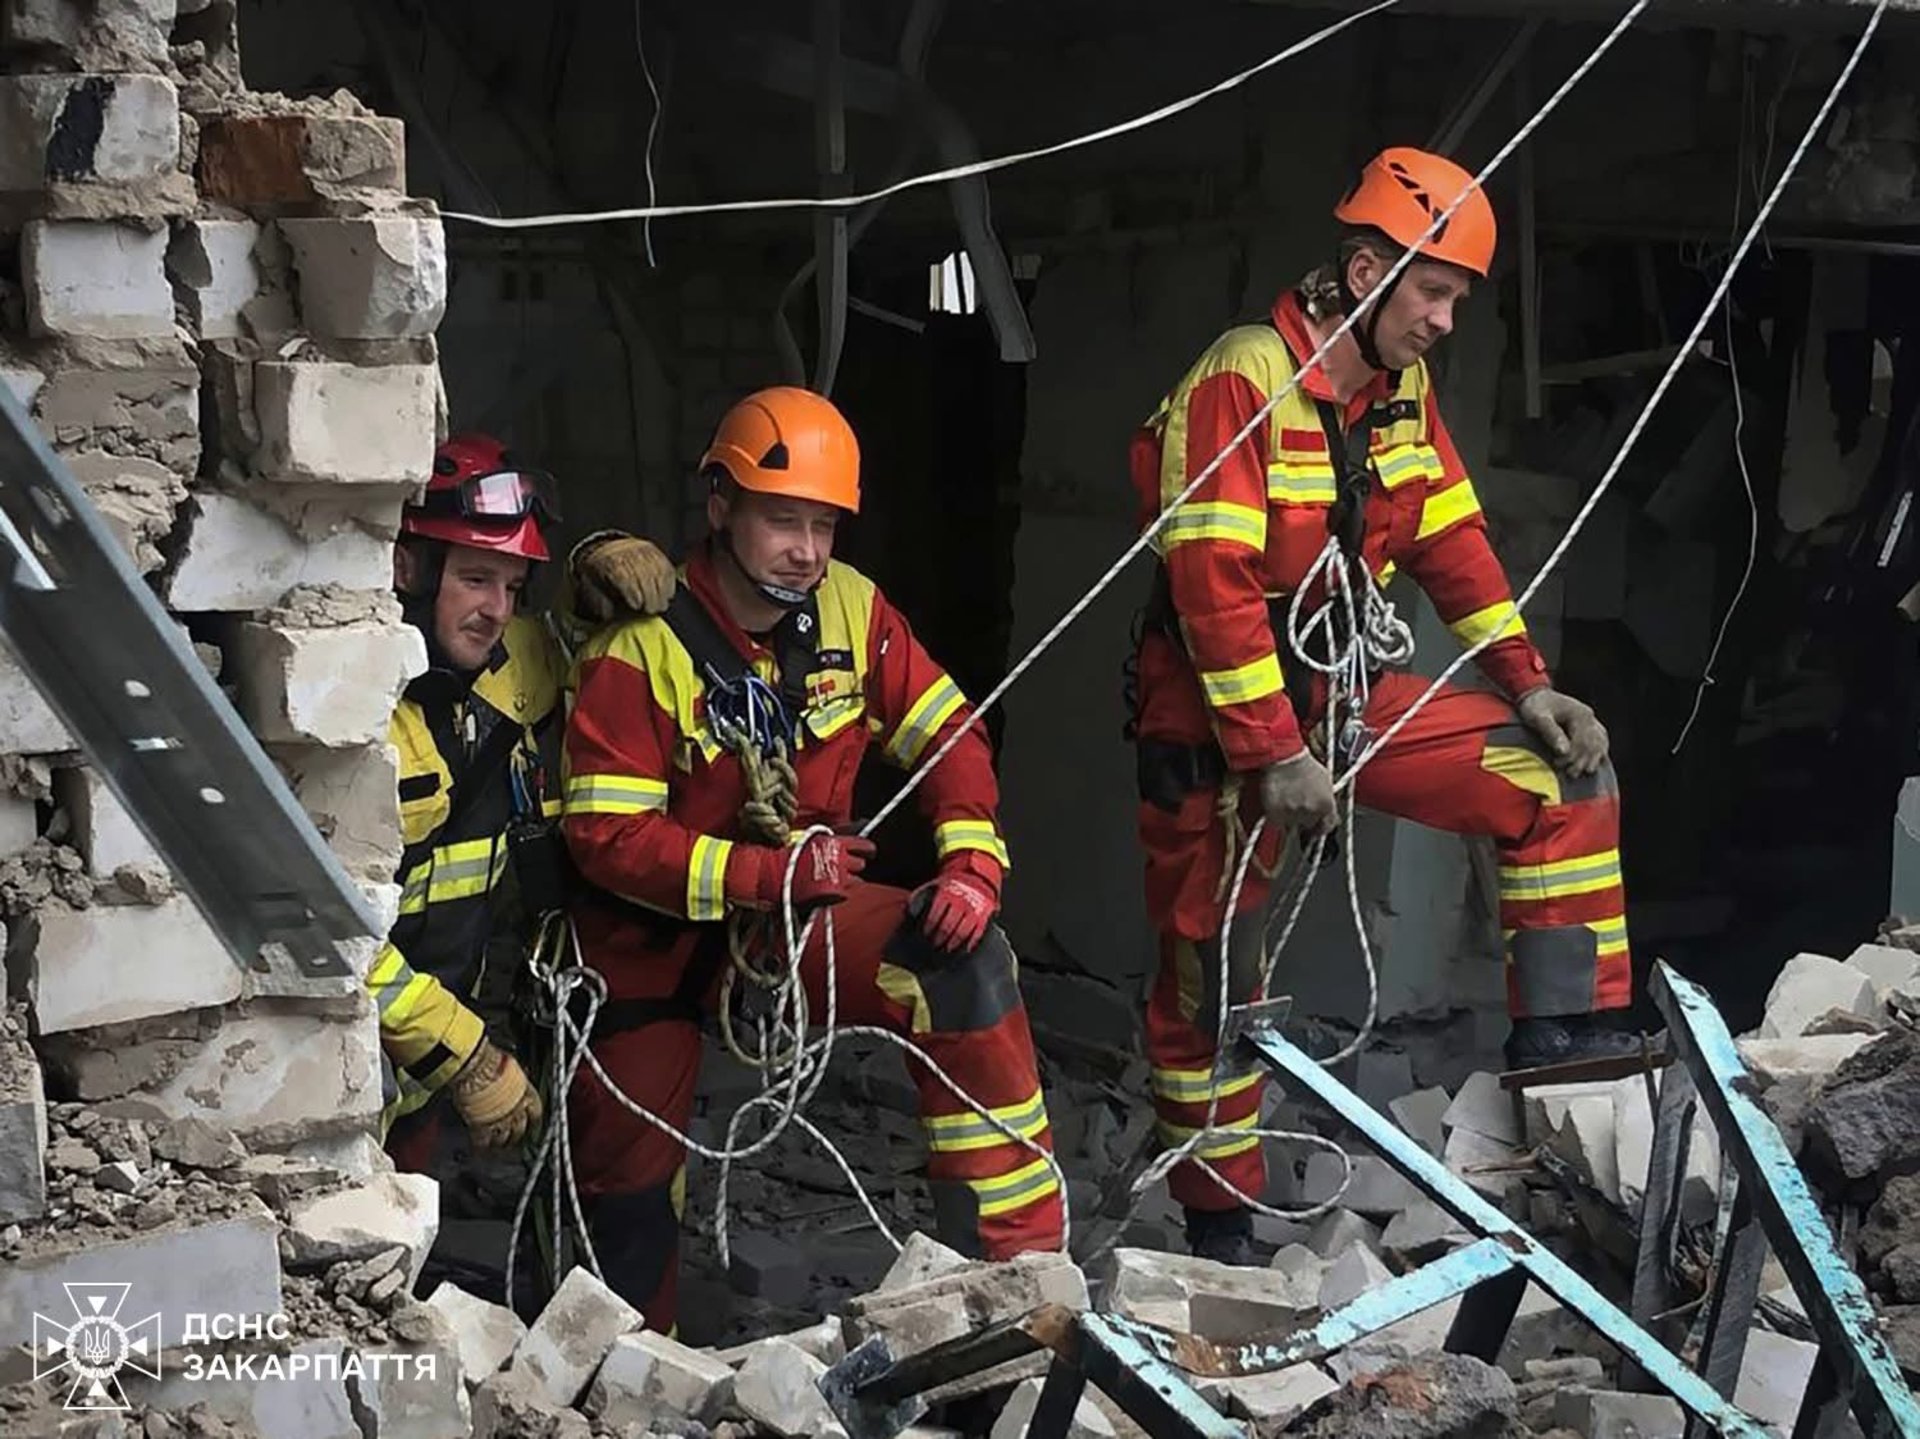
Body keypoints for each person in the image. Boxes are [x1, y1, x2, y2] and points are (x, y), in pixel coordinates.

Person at [1128, 147, 1635, 1265]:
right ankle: (1220, 1226)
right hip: (1219, 729)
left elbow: (1450, 537)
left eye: (1456, 301)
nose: (1445, 321)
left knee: (1560, 777)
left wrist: (1528, 681)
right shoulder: (1244, 379)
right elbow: (1211, 587)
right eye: (1434, 293)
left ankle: (1564, 1065)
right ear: (1366, 273)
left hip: (1343, 699)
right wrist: (1272, 750)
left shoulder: (1400, 393)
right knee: (1215, 977)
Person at [559, 386, 1063, 1329]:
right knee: (624, 1199)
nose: (807, 549)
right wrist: (768, 872)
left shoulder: (854, 612)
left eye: (824, 525)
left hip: (794, 925)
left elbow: (950, 734)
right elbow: (607, 839)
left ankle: (1015, 1294)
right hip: (647, 945)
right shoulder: (641, 647)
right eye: (782, 520)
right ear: (720, 506)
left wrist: (971, 865)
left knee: (963, 967)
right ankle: (630, 1369)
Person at [369, 433, 674, 1185]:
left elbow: (591, 626)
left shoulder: (515, 663)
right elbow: (327, 937)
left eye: (513, 586)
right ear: (408, 567)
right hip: (350, 1059)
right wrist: (466, 1055)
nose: (497, 610)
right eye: (475, 579)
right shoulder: (347, 719)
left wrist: (599, 558)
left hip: (419, 1078)